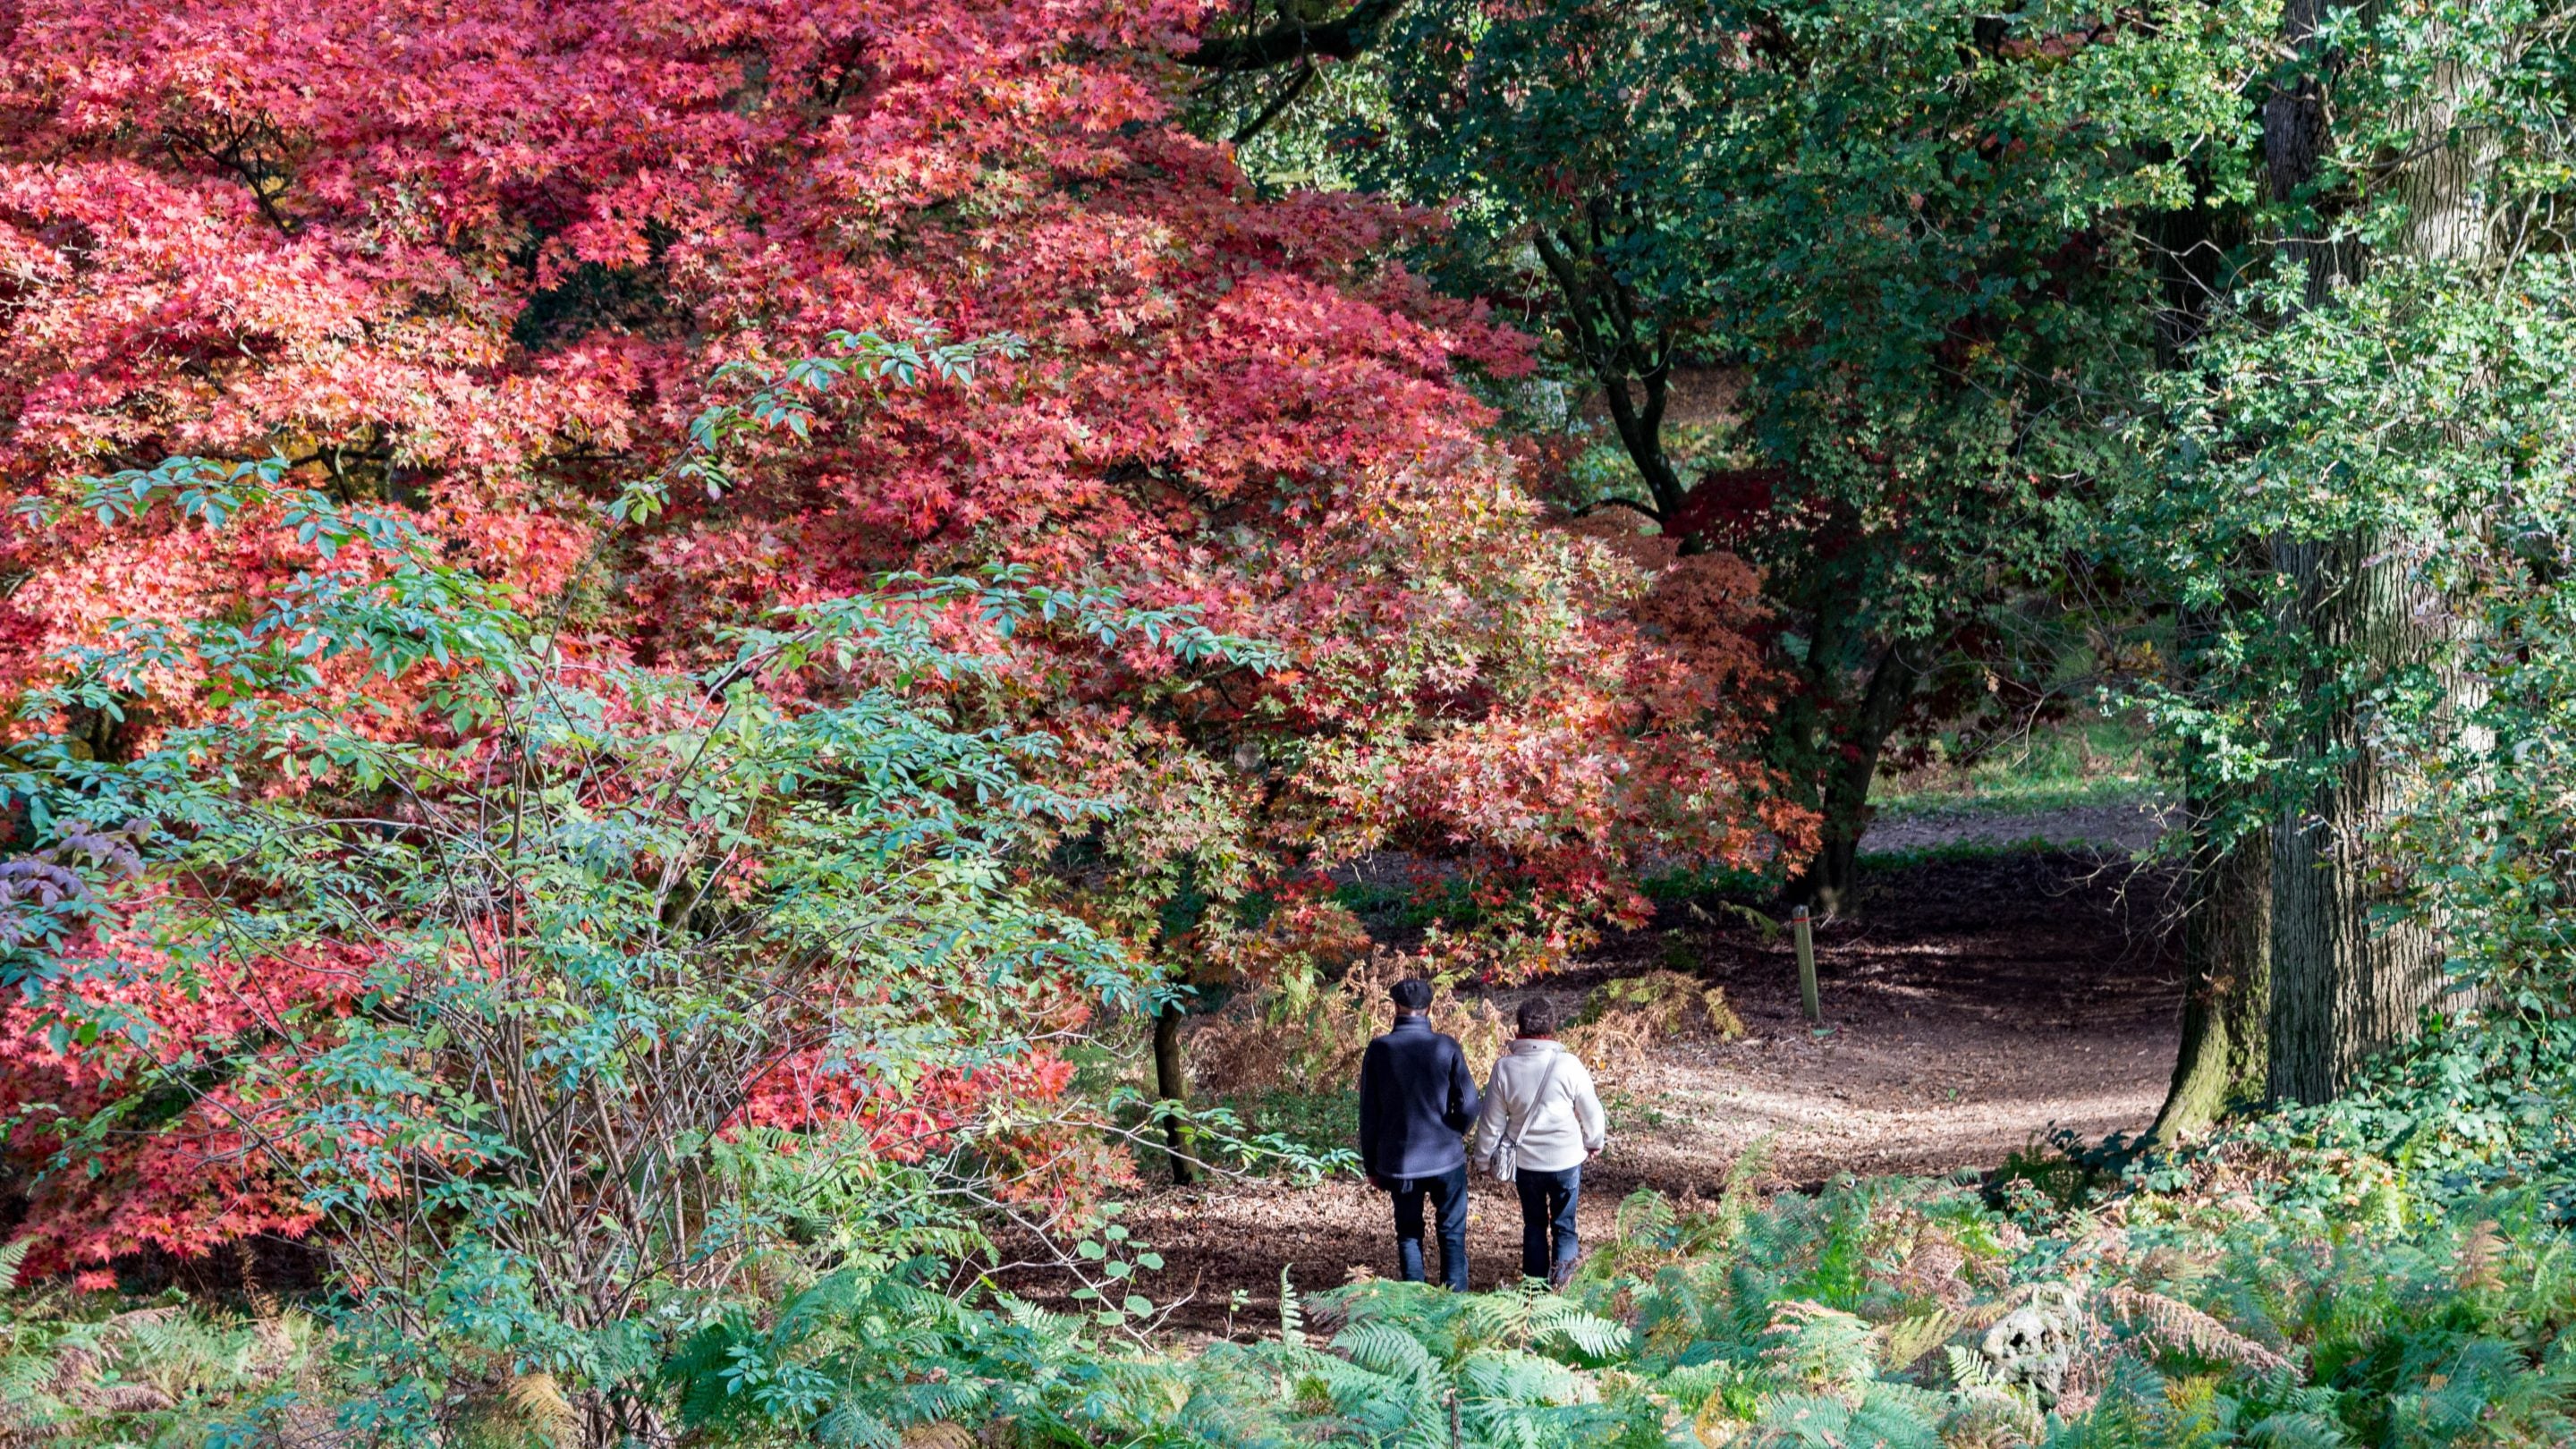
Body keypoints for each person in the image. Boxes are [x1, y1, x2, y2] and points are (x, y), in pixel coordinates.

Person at [1356, 977, 1481, 1289]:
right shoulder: (1446, 1047)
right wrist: (1455, 1132)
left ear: (1396, 1007)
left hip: (1399, 1162)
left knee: (1409, 1233)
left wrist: (1371, 1165)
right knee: (1452, 1231)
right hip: (1445, 1158)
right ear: (1430, 1008)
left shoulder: (1379, 1050)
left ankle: (1414, 1306)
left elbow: (1369, 1113)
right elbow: (1469, 1104)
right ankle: (1454, 1305)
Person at [1473, 996, 1607, 1288]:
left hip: (1526, 1164)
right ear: (1552, 1028)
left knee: (1534, 1226)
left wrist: (1483, 1160)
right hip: (1567, 1160)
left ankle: (1534, 1295)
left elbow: (1491, 1122)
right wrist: (1593, 1141)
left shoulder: (1504, 1068)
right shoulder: (1569, 1065)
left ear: (1518, 1028)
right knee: (1565, 1228)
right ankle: (1562, 1292)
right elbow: (1592, 1111)